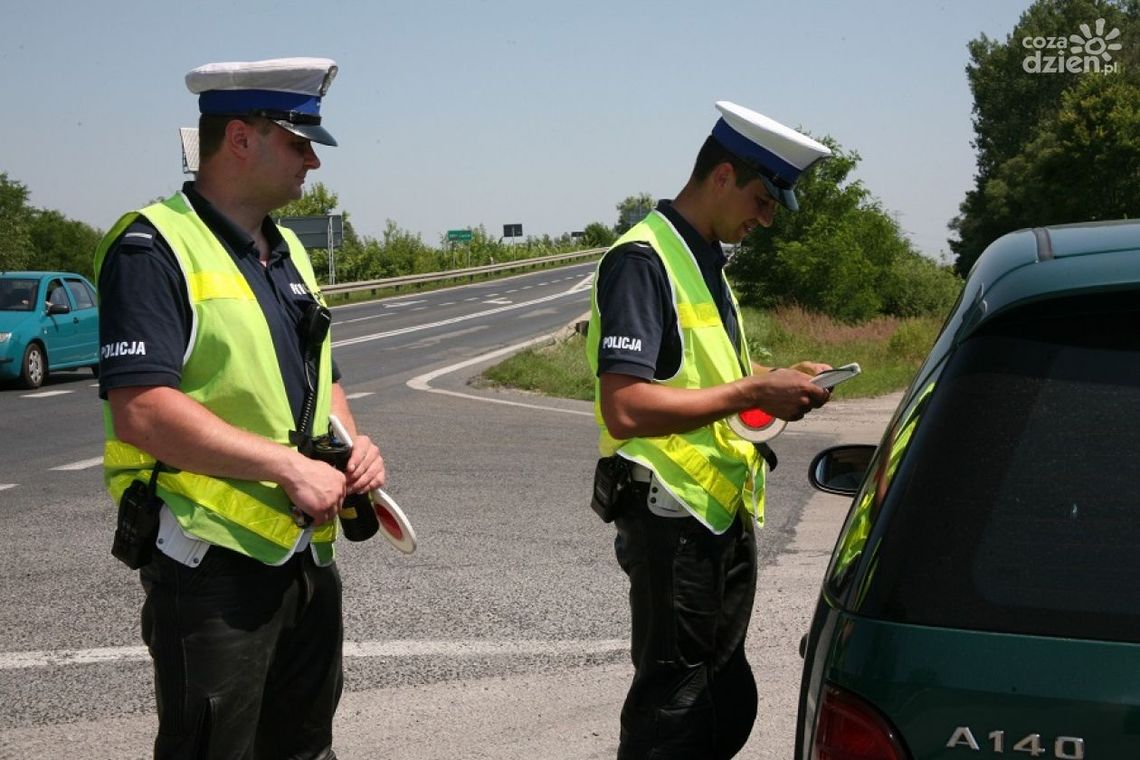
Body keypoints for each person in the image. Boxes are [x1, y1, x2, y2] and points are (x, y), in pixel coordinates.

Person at [94, 57, 385, 759]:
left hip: (304, 556)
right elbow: (143, 411)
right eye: (297, 141)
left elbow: (322, 378)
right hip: (212, 567)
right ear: (240, 139)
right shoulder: (151, 247)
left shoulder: (285, 253)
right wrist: (285, 467)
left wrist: (355, 443)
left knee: (306, 748)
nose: (313, 160)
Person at [586, 100, 834, 759]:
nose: (766, 217)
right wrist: (756, 390)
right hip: (672, 525)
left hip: (713, 519)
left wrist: (774, 381)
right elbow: (627, 407)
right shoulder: (644, 260)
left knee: (716, 706)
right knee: (673, 717)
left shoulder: (704, 258)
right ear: (721, 176)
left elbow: (701, 380)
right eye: (761, 199)